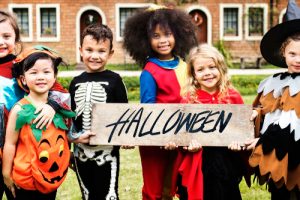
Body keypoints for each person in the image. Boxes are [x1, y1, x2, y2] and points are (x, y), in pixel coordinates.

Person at [123, 5, 197, 200]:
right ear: (145, 40)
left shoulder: (184, 65)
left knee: (177, 186)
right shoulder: (149, 72)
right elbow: (148, 110)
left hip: (180, 136)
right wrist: (162, 138)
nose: (163, 41)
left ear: (178, 35)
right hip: (156, 141)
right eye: (156, 36)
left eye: (167, 34)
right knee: (155, 189)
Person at [1, 46, 93, 199]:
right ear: (23, 78)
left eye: (46, 72)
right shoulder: (19, 110)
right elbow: (10, 143)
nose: (40, 77)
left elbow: (60, 135)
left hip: (51, 175)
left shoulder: (57, 108)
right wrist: (6, 173)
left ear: (54, 76)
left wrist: (76, 139)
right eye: (34, 72)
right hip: (26, 179)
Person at [0, 10, 67, 200]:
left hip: (18, 150)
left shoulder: (25, 66)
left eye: (6, 36)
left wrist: (52, 105)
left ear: (16, 40)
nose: (1, 42)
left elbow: (60, 92)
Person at [175, 44, 249, 200]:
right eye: (200, 70)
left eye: (212, 67)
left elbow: (243, 129)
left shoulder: (232, 97)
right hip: (199, 161)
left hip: (226, 159)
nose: (207, 73)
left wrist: (238, 144)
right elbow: (181, 135)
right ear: (193, 74)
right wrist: (188, 146)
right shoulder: (188, 101)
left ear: (220, 69)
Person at [246, 1, 300, 199]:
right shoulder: (271, 83)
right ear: (282, 53)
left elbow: (293, 119)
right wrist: (256, 113)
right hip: (277, 155)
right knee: (280, 193)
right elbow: (266, 110)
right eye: (292, 54)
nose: (298, 59)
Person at [69, 23, 128, 200]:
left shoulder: (115, 80)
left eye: (101, 51)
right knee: (87, 195)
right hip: (80, 151)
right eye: (89, 50)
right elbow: (70, 117)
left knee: (109, 196)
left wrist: (126, 137)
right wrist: (72, 139)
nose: (95, 56)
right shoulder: (75, 82)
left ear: (110, 54)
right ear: (80, 51)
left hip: (107, 152)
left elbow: (124, 114)